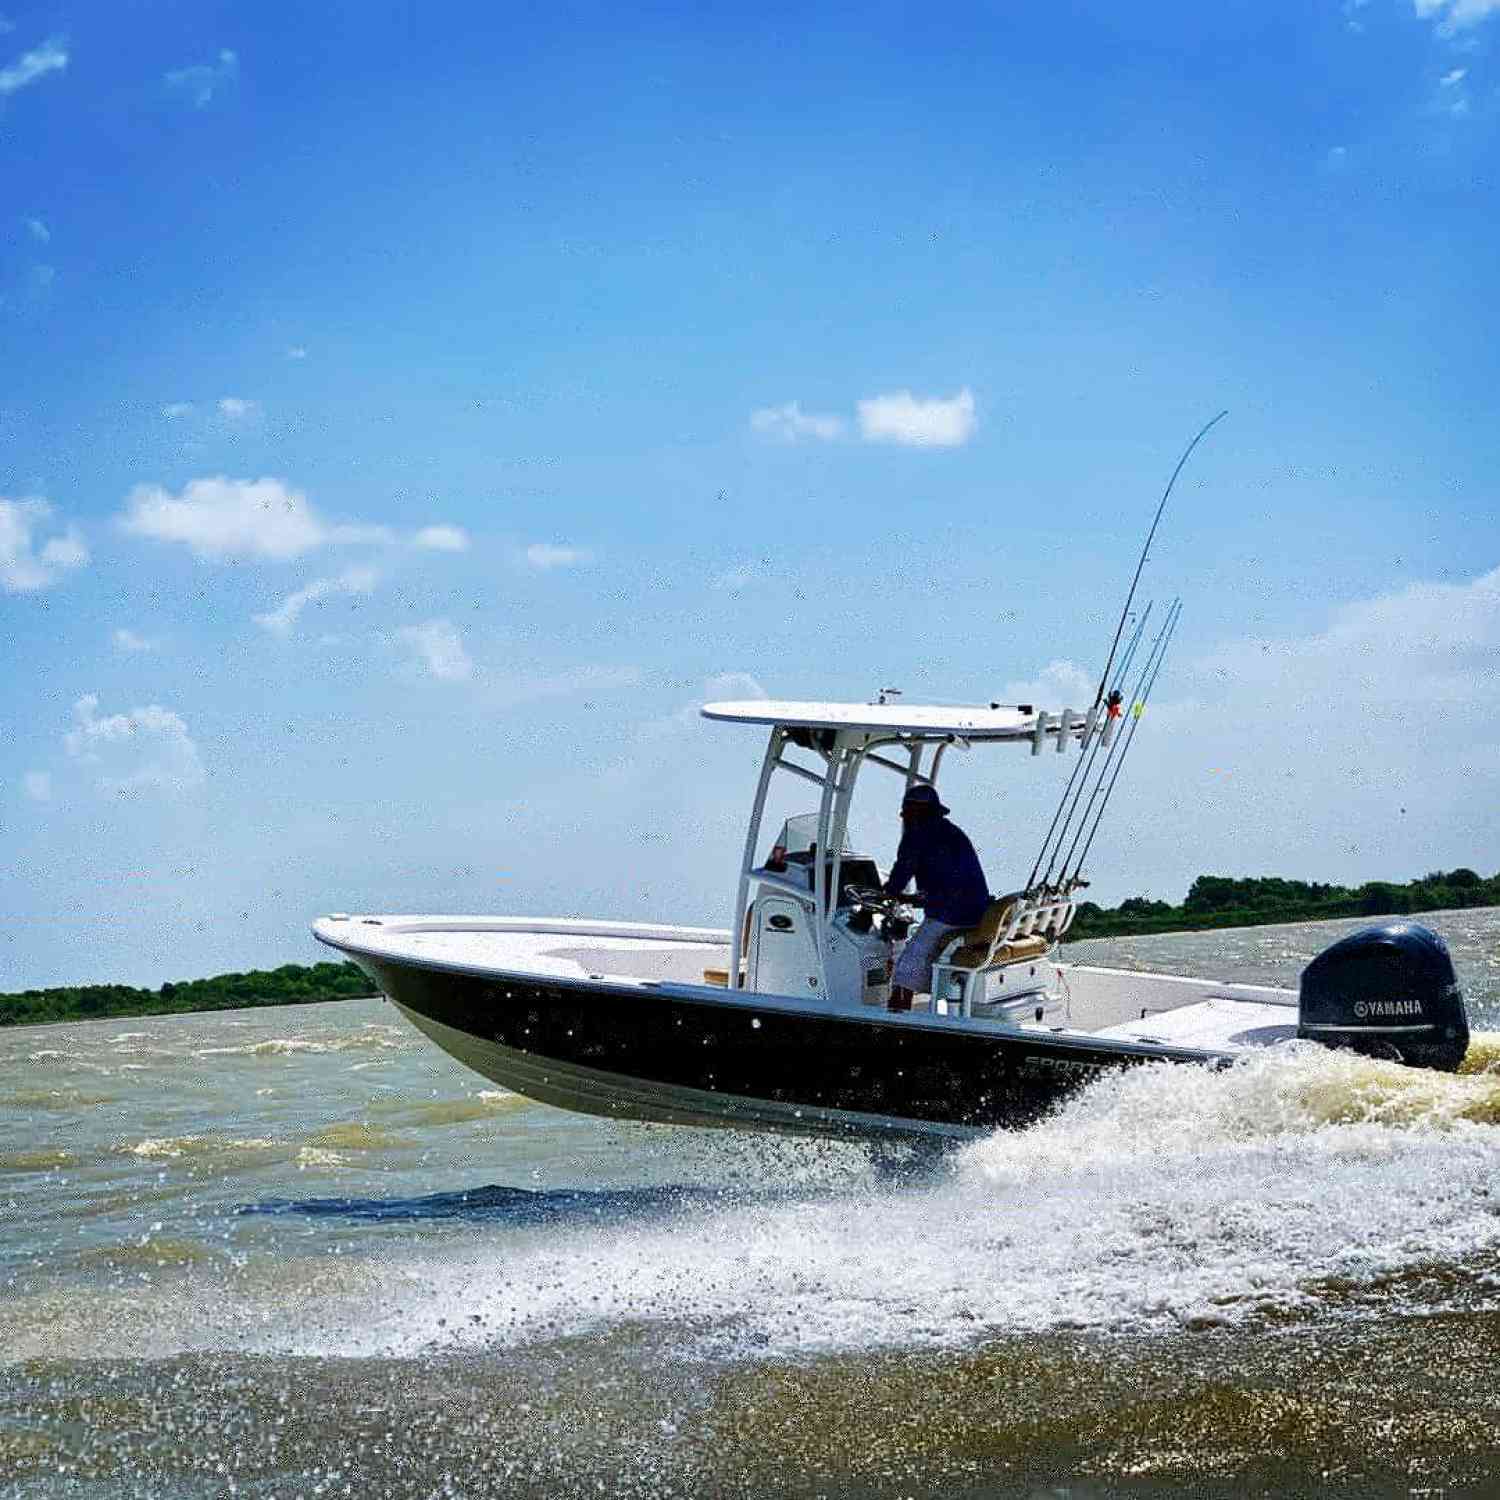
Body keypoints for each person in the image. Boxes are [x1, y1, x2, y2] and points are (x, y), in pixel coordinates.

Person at [882, 783, 991, 1011]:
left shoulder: (918, 834)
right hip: (974, 911)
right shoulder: (950, 831)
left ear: (918, 812)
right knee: (916, 952)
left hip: (952, 914)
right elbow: (949, 878)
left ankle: (897, 1016)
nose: (905, 818)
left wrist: (889, 891)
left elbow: (903, 869)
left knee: (905, 968)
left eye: (908, 812)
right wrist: (914, 899)